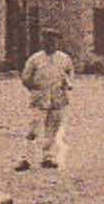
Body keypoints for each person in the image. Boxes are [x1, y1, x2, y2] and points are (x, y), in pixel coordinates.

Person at [18, 28, 73, 171]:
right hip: (39, 99)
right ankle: (27, 158)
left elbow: (69, 75)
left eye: (54, 41)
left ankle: (48, 157)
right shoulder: (35, 59)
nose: (51, 44)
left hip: (57, 98)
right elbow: (26, 78)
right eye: (48, 41)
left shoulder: (64, 59)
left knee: (52, 129)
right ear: (43, 42)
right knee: (34, 128)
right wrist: (36, 88)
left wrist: (65, 86)